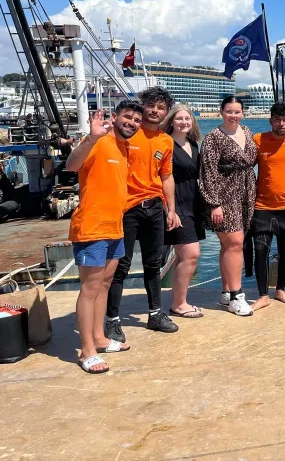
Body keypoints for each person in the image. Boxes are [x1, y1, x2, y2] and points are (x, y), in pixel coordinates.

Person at [67, 102, 143, 373]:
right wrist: (91, 138)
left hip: (115, 227)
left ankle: (99, 337)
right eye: (127, 116)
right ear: (115, 116)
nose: (132, 122)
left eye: (137, 120)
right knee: (90, 288)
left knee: (105, 284)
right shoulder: (97, 141)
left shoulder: (124, 148)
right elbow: (72, 165)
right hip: (92, 227)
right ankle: (87, 350)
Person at [105, 86, 180, 342]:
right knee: (120, 266)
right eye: (151, 105)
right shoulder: (126, 134)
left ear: (166, 112)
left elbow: (166, 177)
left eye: (161, 107)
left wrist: (171, 209)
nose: (155, 111)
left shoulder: (165, 141)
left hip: (155, 208)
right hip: (126, 209)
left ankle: (155, 314)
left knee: (153, 263)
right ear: (143, 106)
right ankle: (112, 320)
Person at [199, 95, 258, 316]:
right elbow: (207, 173)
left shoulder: (247, 132)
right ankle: (236, 296)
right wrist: (214, 203)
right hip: (224, 197)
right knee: (235, 243)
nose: (233, 115)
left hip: (245, 194)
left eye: (237, 112)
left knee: (228, 245)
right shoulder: (213, 138)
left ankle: (225, 291)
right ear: (221, 112)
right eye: (229, 111)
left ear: (243, 113)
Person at [250, 103, 285, 310]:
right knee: (260, 250)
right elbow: (244, 165)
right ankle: (263, 295)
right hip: (263, 206)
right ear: (270, 121)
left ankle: (280, 290)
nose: (281, 124)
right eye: (277, 120)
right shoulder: (258, 140)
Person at [161, 103, 205, 319]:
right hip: (175, 204)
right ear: (171, 121)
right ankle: (179, 304)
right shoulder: (165, 143)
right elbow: (160, 177)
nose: (183, 122)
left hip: (193, 204)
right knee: (191, 254)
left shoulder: (193, 144)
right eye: (179, 118)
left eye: (187, 118)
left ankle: (179, 301)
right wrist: (170, 209)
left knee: (182, 256)